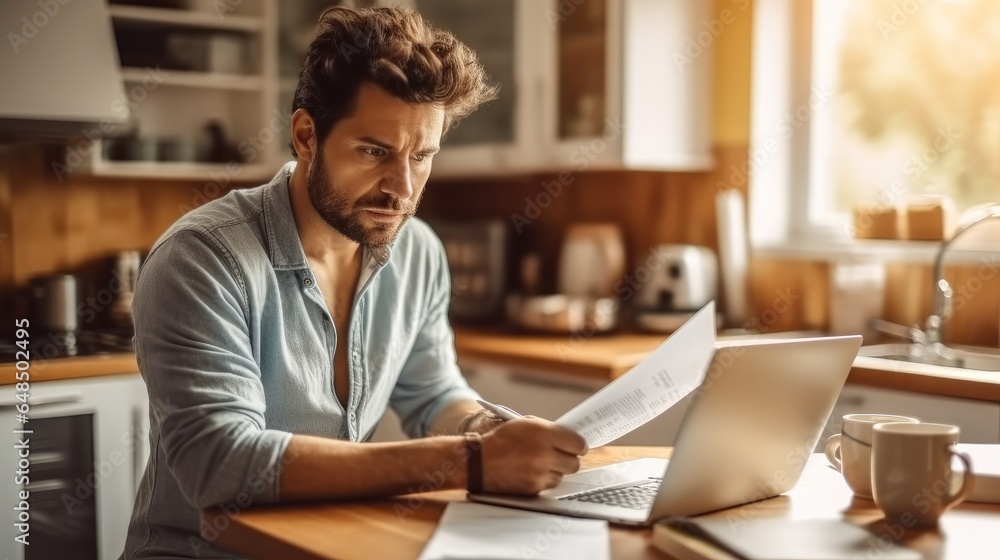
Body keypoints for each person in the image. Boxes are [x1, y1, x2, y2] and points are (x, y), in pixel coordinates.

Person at [119, 6, 588, 559]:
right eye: (375, 152)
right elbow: (221, 466)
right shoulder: (201, 260)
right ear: (305, 137)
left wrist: (488, 428)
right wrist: (473, 462)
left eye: (423, 155)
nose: (402, 187)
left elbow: (433, 393)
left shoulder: (418, 252)